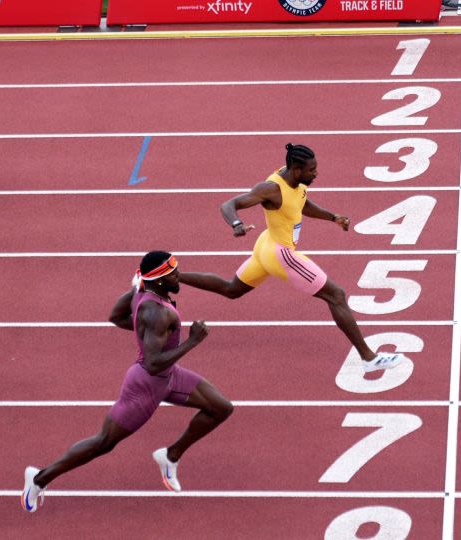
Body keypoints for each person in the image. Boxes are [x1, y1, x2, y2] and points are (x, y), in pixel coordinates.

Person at [22, 251, 233, 513]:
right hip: (145, 386)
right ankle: (39, 478)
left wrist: (146, 333)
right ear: (158, 280)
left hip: (169, 376)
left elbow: (116, 317)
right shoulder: (157, 312)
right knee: (104, 442)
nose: (180, 277)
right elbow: (153, 362)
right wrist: (193, 341)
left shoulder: (143, 294)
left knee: (221, 408)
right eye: (173, 274)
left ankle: (170, 456)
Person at [182, 143, 407, 372]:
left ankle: (173, 275)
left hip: (265, 246)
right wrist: (237, 224)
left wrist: (332, 217)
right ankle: (369, 358)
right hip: (282, 255)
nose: (316, 173)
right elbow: (228, 204)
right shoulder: (272, 189)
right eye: (312, 170)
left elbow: (301, 203)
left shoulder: (293, 178)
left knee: (232, 289)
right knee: (336, 295)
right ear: (297, 169)